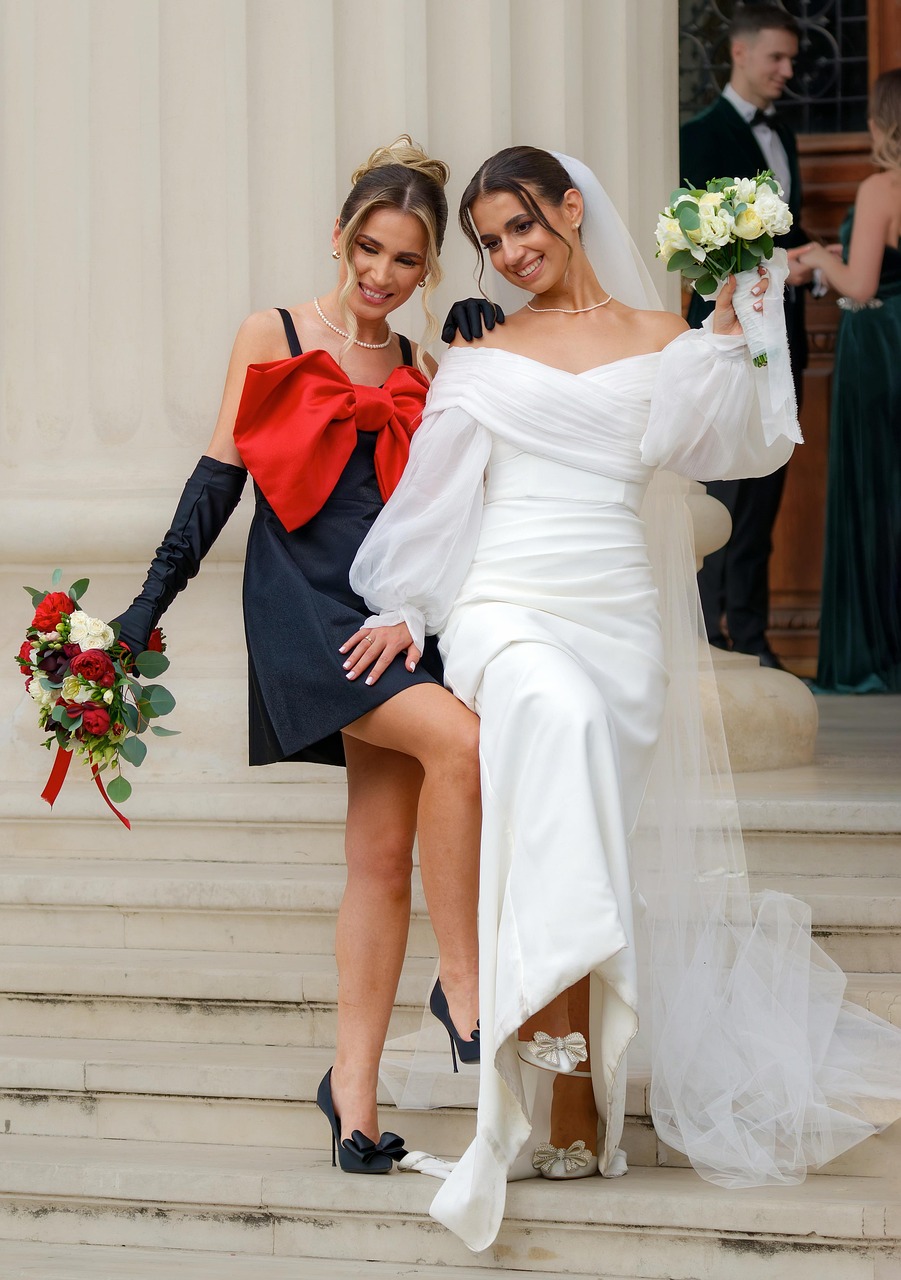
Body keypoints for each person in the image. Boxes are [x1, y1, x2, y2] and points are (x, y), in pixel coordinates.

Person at [347, 146, 901, 1252]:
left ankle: (568, 1110)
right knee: (557, 719)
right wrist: (407, 602)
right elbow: (437, 496)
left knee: (582, 799)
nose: (510, 254)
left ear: (568, 208)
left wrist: (742, 319)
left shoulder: (666, 344)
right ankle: (524, 1034)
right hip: (509, 608)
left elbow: (738, 444)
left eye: (522, 225)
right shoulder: (481, 353)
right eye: (492, 240)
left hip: (617, 619)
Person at [113, 137, 483, 1174]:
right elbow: (217, 479)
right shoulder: (271, 332)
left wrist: (484, 357)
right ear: (339, 235)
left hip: (385, 613)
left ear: (427, 271)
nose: (378, 274)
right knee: (462, 744)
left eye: (403, 261)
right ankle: (463, 982)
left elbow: (448, 510)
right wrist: (149, 603)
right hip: (300, 609)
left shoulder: (421, 366)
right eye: (367, 247)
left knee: (377, 859)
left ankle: (351, 1098)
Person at [680, 3, 812, 669]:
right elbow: (708, 246)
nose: (787, 71)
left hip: (785, 334)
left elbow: (786, 233)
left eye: (791, 60)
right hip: (732, 333)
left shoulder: (781, 135)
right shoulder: (697, 136)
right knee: (725, 489)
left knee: (766, 491)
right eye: (776, 58)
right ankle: (708, 632)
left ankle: (754, 635)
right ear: (739, 54)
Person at [798, 68, 901, 693]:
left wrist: (814, 259)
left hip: (879, 348)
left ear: (884, 122)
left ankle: (874, 650)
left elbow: (861, 285)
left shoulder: (882, 187)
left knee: (875, 492)